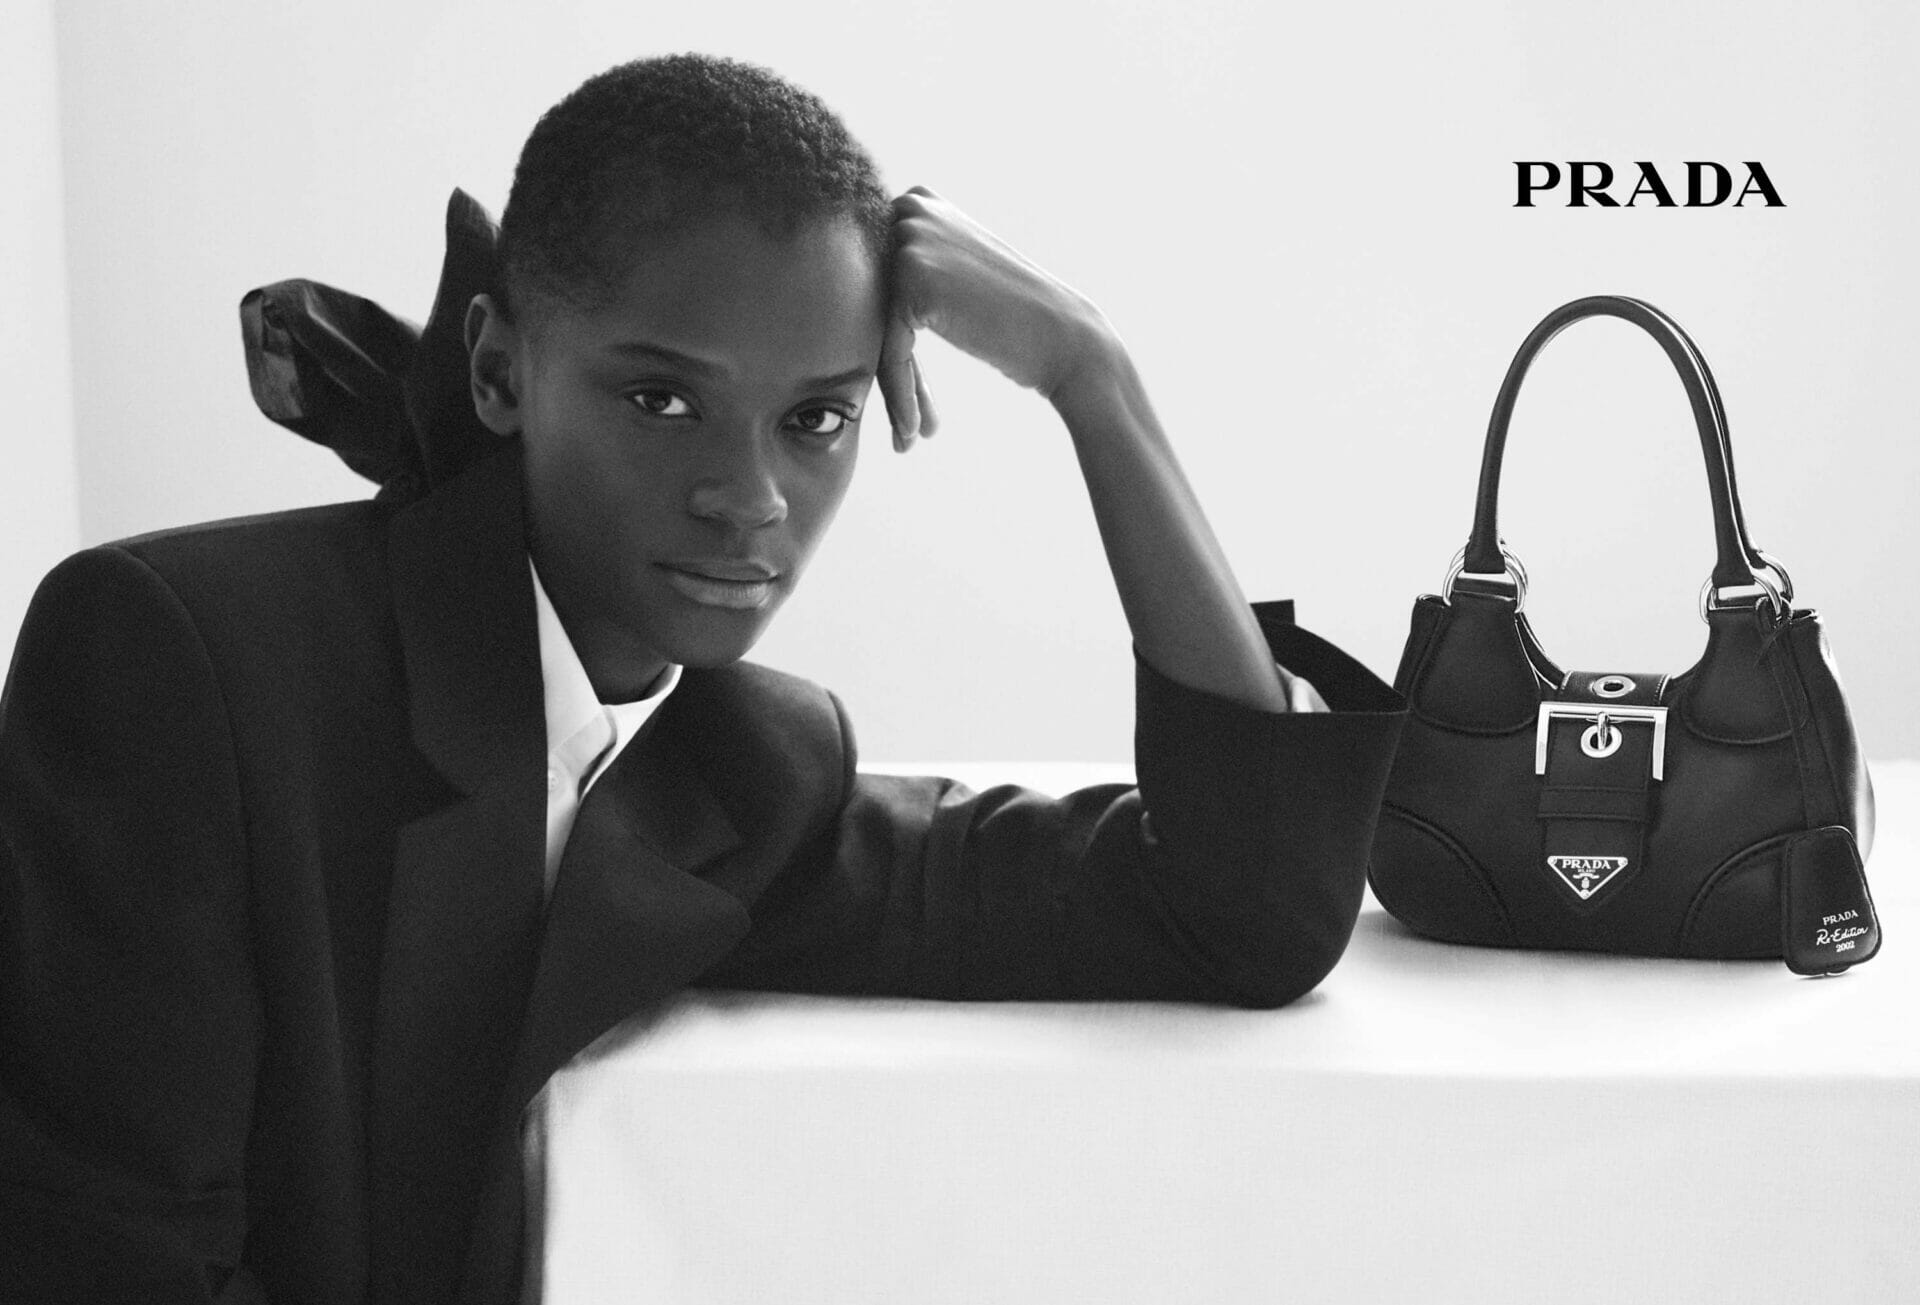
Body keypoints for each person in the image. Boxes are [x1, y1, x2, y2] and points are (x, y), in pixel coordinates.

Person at [0, 53, 1404, 1305]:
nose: (753, 497)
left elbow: (1242, 912)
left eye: (817, 419)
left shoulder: (747, 781)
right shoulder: (175, 661)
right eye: (661, 398)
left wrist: (1091, 375)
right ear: (498, 370)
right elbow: (103, 1261)